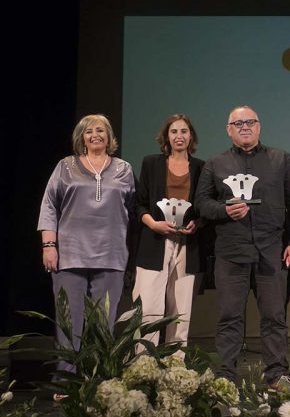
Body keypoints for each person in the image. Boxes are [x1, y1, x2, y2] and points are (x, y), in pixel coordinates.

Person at [194, 106, 290, 387]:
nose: (245, 127)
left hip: (272, 251)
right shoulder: (215, 164)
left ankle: (276, 375)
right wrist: (224, 210)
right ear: (228, 129)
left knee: (274, 317)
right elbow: (202, 204)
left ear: (259, 126)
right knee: (230, 316)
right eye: (238, 123)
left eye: (250, 122)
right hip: (231, 253)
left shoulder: (281, 159)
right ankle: (226, 377)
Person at [38, 114, 135, 374]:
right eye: (89, 131)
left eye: (101, 130)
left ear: (110, 136)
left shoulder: (124, 169)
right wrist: (49, 245)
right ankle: (67, 378)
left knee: (104, 323)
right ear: (81, 137)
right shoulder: (65, 166)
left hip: (112, 253)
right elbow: (49, 205)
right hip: (70, 254)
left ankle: (98, 379)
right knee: (69, 322)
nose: (95, 135)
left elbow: (132, 210)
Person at [132, 114, 205, 357]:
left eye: (184, 131)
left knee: (180, 310)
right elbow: (139, 204)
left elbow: (204, 207)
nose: (179, 136)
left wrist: (197, 223)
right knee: (148, 307)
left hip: (187, 244)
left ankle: (175, 366)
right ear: (166, 137)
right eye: (174, 132)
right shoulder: (151, 163)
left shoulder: (201, 167)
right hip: (155, 242)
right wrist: (153, 224)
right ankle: (143, 365)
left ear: (191, 136)